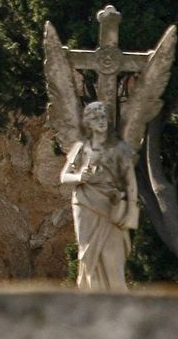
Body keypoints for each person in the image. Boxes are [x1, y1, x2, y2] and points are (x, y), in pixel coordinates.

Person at [59, 100, 139, 290]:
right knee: (87, 258)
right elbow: (64, 176)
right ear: (88, 123)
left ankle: (121, 312)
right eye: (95, 118)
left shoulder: (120, 149)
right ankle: (92, 306)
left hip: (111, 207)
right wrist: (78, 176)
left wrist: (130, 210)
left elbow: (131, 183)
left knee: (114, 263)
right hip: (85, 204)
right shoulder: (80, 148)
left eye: (103, 116)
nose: (101, 120)